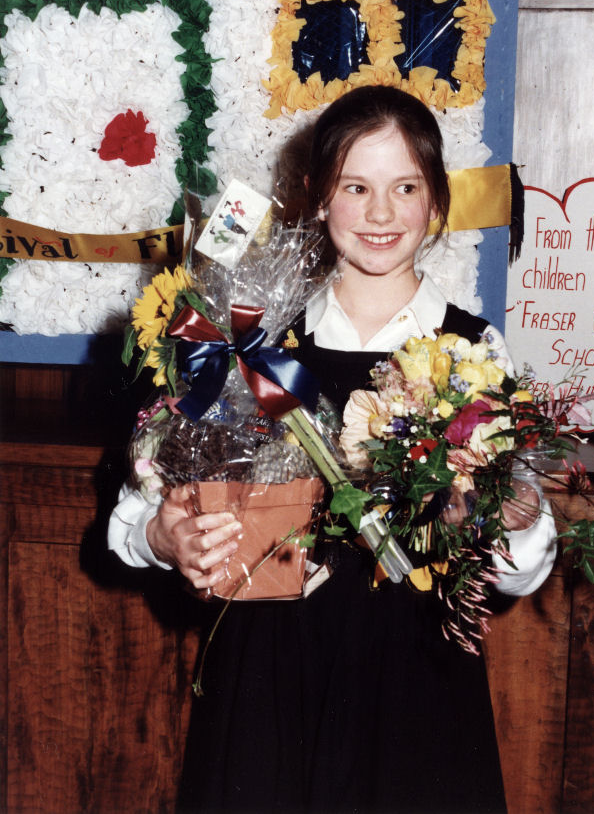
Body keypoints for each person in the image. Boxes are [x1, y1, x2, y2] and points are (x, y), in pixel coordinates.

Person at [109, 86, 556, 813]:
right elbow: (134, 516)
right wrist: (164, 537)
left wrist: (516, 514)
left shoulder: (474, 352)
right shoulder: (251, 339)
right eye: (355, 187)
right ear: (318, 198)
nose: (380, 214)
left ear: (435, 202)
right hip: (270, 680)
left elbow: (518, 574)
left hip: (416, 683)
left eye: (403, 187)